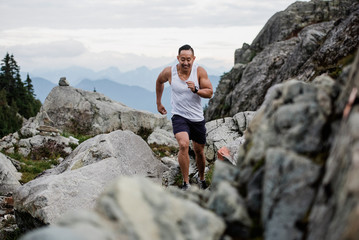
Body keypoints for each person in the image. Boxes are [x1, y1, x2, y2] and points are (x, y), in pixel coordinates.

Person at [156, 44, 213, 190]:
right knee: (183, 145)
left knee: (199, 151)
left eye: (189, 59)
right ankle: (186, 183)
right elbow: (159, 81)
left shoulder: (199, 71)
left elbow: (209, 92)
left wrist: (196, 89)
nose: (186, 63)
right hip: (179, 115)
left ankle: (201, 179)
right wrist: (159, 102)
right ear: (178, 58)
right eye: (183, 59)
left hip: (196, 117)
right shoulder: (170, 72)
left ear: (193, 59)